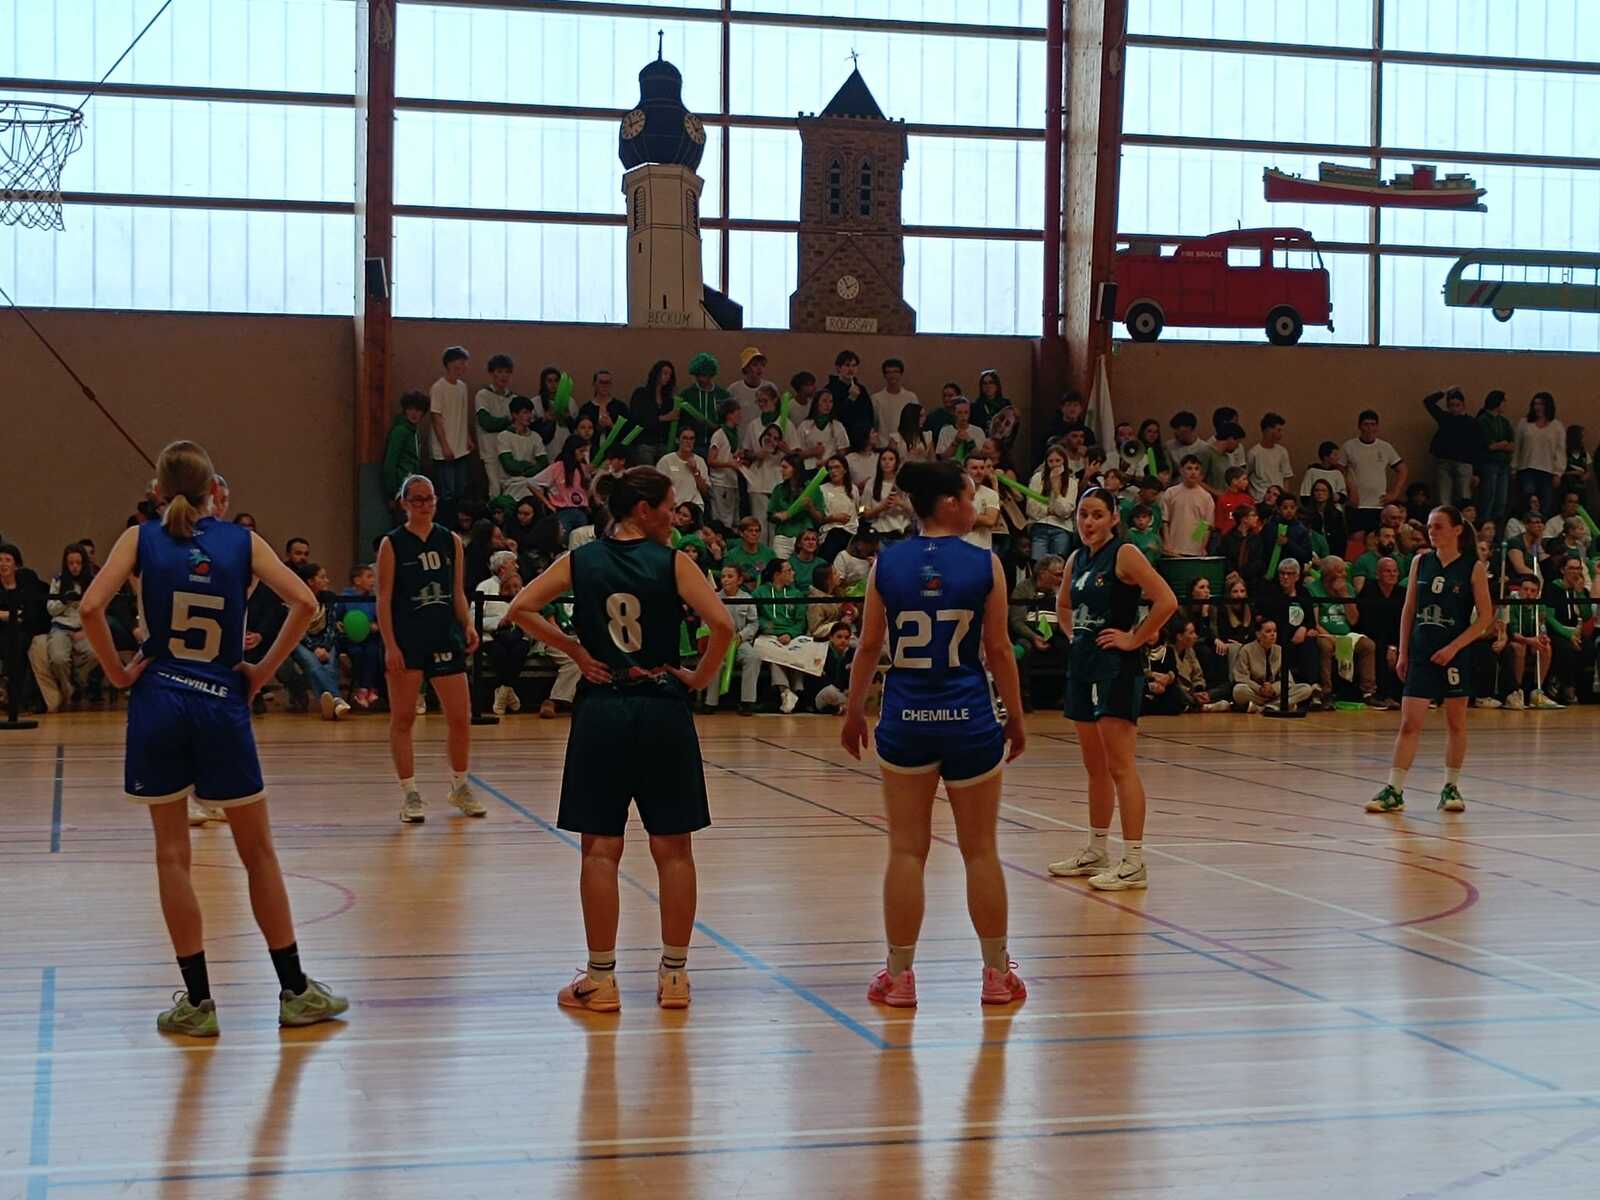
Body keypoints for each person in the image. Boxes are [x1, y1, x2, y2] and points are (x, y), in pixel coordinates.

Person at [76, 440, 347, 1037]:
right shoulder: (242, 542)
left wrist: (119, 673)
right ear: (213, 492)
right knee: (258, 854)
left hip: (159, 701)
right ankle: (295, 991)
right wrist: (262, 672)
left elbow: (92, 607)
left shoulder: (139, 538)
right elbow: (304, 602)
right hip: (221, 701)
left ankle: (198, 1003)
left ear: (156, 491)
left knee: (173, 856)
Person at [505, 466, 735, 1013]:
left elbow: (520, 609)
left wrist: (575, 650)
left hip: (603, 709)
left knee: (600, 848)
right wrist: (698, 679)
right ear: (643, 510)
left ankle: (601, 980)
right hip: (662, 707)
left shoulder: (581, 560)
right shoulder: (674, 562)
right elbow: (723, 626)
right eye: (669, 506)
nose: (675, 516)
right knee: (674, 848)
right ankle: (674, 976)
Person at [840, 459, 1028, 1007]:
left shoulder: (886, 563)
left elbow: (868, 646)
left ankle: (899, 976)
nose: (977, 504)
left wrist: (853, 711)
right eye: (971, 495)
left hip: (906, 719)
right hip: (970, 719)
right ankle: (997, 974)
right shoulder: (985, 563)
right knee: (981, 851)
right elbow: (998, 649)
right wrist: (1017, 716)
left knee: (906, 850)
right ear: (949, 503)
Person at [1047, 488, 1177, 891]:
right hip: (1083, 666)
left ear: (1114, 518)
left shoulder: (1125, 554)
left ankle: (1134, 861)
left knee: (1120, 765)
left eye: (1097, 515)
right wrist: (1073, 635)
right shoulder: (1076, 558)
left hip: (1116, 669)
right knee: (1095, 767)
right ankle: (1096, 849)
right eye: (1083, 514)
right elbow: (1063, 606)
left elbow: (1166, 601)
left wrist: (1134, 638)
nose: (1088, 522)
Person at [1365, 507, 1495, 815]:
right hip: (1422, 653)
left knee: (1456, 723)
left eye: (1438, 526)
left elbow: (1485, 618)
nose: (1432, 532)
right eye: (1430, 527)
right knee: (1410, 723)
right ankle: (1394, 790)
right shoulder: (1420, 562)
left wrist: (1454, 647)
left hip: (1455, 654)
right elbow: (1409, 609)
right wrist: (1404, 651)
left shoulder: (1472, 567)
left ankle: (1451, 787)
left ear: (1457, 530)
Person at [376, 475, 486, 824]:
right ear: (404, 503)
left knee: (460, 717)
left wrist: (467, 624)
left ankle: (460, 786)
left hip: (444, 636)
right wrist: (390, 645)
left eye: (429, 499)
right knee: (403, 718)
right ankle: (410, 793)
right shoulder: (392, 544)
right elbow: (383, 598)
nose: (424, 505)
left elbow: (457, 591)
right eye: (417, 499)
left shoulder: (450, 540)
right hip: (407, 639)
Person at [429, 346, 474, 527]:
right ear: (449, 364)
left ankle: (458, 525)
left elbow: (463, 415)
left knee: (461, 490)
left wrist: (467, 438)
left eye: (465, 363)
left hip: (461, 448)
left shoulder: (462, 387)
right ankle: (446, 525)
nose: (463, 366)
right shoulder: (438, 388)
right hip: (444, 451)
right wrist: (444, 445)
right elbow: (436, 418)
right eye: (460, 362)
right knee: (447, 492)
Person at [1343, 410, 1407, 534]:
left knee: (1377, 537)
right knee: (1356, 538)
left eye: (1373, 424)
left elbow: (1402, 469)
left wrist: (1395, 493)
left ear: (1377, 427)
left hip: (1379, 504)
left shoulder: (1385, 447)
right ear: (1359, 426)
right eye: (1366, 424)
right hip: (1357, 504)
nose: (1369, 428)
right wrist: (1350, 489)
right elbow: (1339, 470)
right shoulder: (1349, 446)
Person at [1424, 386, 1486, 508]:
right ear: (1448, 406)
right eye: (1451, 405)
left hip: (1464, 463)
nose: (1454, 408)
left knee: (1464, 498)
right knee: (1443, 498)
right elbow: (1428, 402)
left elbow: (1478, 449)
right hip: (1444, 462)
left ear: (1463, 405)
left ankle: (1464, 519)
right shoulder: (1445, 418)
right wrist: (1444, 392)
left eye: (1457, 405)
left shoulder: (1472, 423)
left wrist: (1477, 472)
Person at [1514, 391, 1565, 519]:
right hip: (1527, 468)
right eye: (1535, 404)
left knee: (1545, 504)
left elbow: (1560, 451)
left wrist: (1558, 473)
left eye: (1541, 404)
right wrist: (1514, 467)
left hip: (1547, 471)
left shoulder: (1557, 426)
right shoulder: (1524, 423)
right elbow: (1517, 446)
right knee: (1528, 499)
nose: (1537, 407)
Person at [475, 353, 519, 497]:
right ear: (491, 373)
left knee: (510, 487)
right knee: (494, 488)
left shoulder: (513, 398)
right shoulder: (483, 395)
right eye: (499, 371)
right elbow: (486, 423)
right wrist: (508, 420)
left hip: (510, 452)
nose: (503, 376)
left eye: (507, 372)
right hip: (490, 450)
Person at [1025, 444, 1077, 562]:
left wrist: (1056, 489)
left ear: (1064, 461)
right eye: (1051, 461)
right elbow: (1031, 509)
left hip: (1062, 528)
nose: (1054, 464)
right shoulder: (1037, 478)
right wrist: (1050, 510)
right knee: (1038, 564)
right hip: (1040, 525)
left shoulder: (1072, 483)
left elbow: (1065, 512)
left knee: (1058, 563)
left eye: (1058, 460)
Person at [1160, 455, 1215, 558]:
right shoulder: (1171, 492)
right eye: (1189, 468)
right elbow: (1165, 521)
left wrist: (1200, 546)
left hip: (1196, 551)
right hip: (1173, 548)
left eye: (1196, 469)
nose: (1193, 472)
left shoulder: (1206, 497)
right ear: (1181, 470)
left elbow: (1205, 525)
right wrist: (1167, 543)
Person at [382, 391, 429, 507]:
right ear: (405, 410)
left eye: (418, 410)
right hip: (401, 489)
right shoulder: (400, 431)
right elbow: (390, 463)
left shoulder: (415, 432)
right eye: (410, 409)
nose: (414, 413)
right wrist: (392, 492)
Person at [628, 359, 678, 466]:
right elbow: (638, 419)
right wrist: (663, 418)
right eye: (665, 373)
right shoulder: (641, 394)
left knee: (671, 465)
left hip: (663, 442)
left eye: (670, 375)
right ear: (656, 373)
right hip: (644, 442)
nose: (667, 377)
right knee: (646, 461)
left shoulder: (669, 400)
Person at [1247, 412, 1294, 501]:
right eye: (1278, 430)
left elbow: (1286, 477)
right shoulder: (1254, 453)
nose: (1281, 434)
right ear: (1268, 430)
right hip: (1259, 498)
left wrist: (1284, 497)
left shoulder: (1282, 451)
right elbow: (1247, 475)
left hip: (1278, 498)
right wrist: (1252, 495)